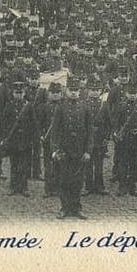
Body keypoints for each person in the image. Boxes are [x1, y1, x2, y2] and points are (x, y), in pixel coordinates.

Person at [50, 76, 93, 219]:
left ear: (80, 91)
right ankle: (64, 207)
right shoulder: (60, 107)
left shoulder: (85, 107)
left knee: (78, 180)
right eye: (71, 90)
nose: (74, 93)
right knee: (64, 179)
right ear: (66, 91)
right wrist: (55, 149)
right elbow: (55, 131)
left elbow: (89, 131)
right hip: (64, 149)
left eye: (76, 90)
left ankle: (76, 207)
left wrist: (88, 150)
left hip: (79, 150)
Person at [0, 80, 34, 197]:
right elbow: (4, 123)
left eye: (20, 92)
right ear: (13, 93)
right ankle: (13, 186)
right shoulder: (9, 105)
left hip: (25, 139)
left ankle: (23, 187)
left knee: (24, 165)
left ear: (24, 93)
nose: (18, 95)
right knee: (14, 164)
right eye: (16, 92)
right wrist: (5, 138)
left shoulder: (29, 106)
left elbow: (33, 123)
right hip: (13, 139)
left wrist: (31, 139)